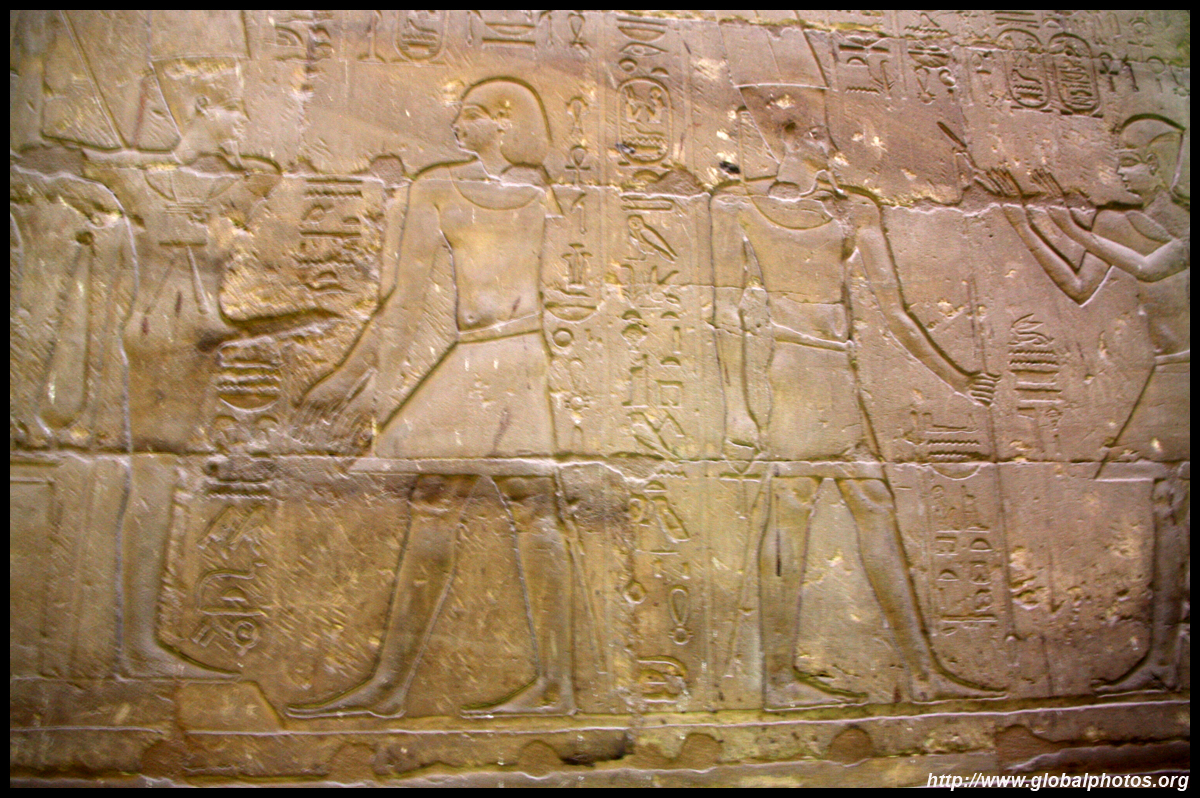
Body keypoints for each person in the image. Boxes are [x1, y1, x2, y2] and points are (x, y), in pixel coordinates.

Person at [714, 28, 998, 707]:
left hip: (833, 376)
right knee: (800, 512)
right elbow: (725, 312)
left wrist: (958, 376)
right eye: (817, 134)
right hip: (792, 376)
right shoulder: (738, 207)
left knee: (857, 506)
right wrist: (737, 408)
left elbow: (894, 310)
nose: (832, 145)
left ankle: (916, 672)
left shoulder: (853, 210)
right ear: (786, 139)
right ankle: (782, 678)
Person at [289, 78, 574, 717]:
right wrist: (359, 376)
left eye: (470, 115)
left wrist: (360, 382)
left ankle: (408, 686)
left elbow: (573, 290)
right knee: (503, 505)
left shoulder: (535, 192)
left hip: (512, 356)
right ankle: (413, 685)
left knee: (487, 503)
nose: (457, 127)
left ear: (503, 122)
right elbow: (407, 298)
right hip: (489, 354)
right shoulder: (441, 188)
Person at [988, 115, 1189, 692]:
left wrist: (1075, 229)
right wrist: (1027, 224)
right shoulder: (1114, 222)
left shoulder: (1182, 225)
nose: (1118, 172)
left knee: (1174, 508)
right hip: (1172, 372)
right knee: (1167, 508)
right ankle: (1161, 659)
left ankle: (1165, 660)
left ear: (1156, 169)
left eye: (1129, 163)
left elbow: (1152, 266)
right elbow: (1078, 286)